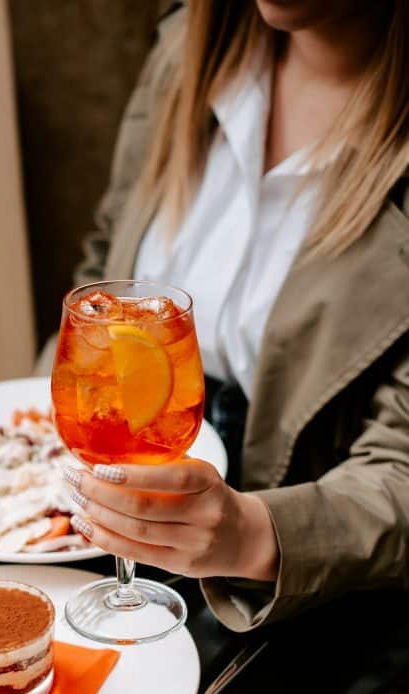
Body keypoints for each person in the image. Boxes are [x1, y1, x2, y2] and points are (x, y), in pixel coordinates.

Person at [36, 0, 409, 632]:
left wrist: (251, 535)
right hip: (92, 531)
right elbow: (106, 258)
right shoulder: (186, 47)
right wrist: (38, 432)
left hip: (302, 601)